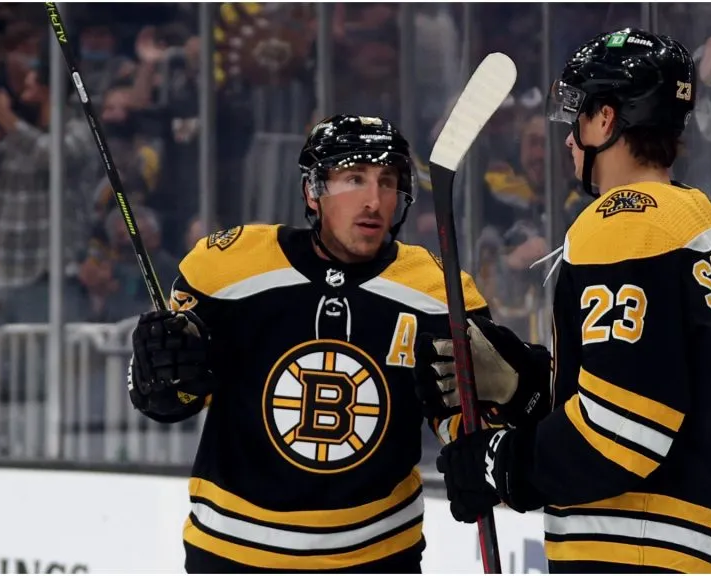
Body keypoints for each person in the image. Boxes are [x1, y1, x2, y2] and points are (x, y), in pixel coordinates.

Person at [415, 29, 711, 573]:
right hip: (701, 548)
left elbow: (622, 435)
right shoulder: (695, 216)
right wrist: (525, 384)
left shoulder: (624, 226)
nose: (568, 139)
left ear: (606, 119)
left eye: (577, 116)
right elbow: (649, 381)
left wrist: (498, 464)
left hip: (645, 550)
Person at [126, 114, 489, 573]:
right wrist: (162, 382)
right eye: (354, 179)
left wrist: (478, 448)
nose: (374, 200)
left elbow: (466, 412)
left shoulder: (440, 292)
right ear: (312, 191)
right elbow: (174, 398)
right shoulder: (226, 269)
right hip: (232, 553)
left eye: (387, 181)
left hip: (377, 556)